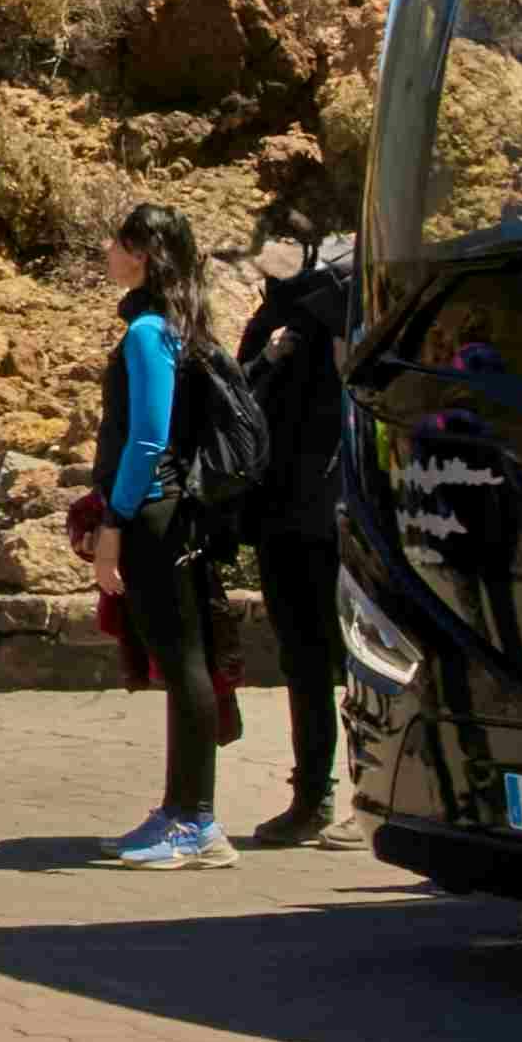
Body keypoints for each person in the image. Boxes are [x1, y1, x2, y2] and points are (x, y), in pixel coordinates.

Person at [95, 201, 237, 869]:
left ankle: (195, 820)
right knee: (185, 663)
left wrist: (113, 523)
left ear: (142, 255)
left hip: (154, 511)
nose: (107, 250)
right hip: (175, 510)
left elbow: (148, 437)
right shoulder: (183, 326)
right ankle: (185, 812)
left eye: (118, 242)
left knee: (182, 665)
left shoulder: (149, 332)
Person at [228, 224, 357, 852]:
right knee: (305, 661)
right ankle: (313, 796)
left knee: (354, 661)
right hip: (285, 510)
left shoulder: (346, 302)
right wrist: (269, 357)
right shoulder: (276, 316)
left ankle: (364, 794)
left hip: (332, 513)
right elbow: (237, 393)